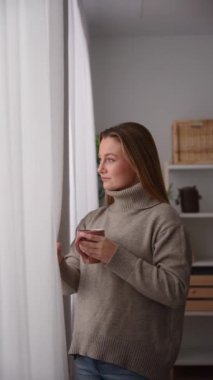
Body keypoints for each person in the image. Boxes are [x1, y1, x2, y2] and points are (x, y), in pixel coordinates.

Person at [58, 122, 192, 380]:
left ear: (138, 163)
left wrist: (114, 256)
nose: (100, 169)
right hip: (86, 356)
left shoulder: (163, 219)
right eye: (100, 160)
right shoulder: (92, 219)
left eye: (110, 159)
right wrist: (59, 266)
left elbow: (174, 291)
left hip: (135, 364)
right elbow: (71, 284)